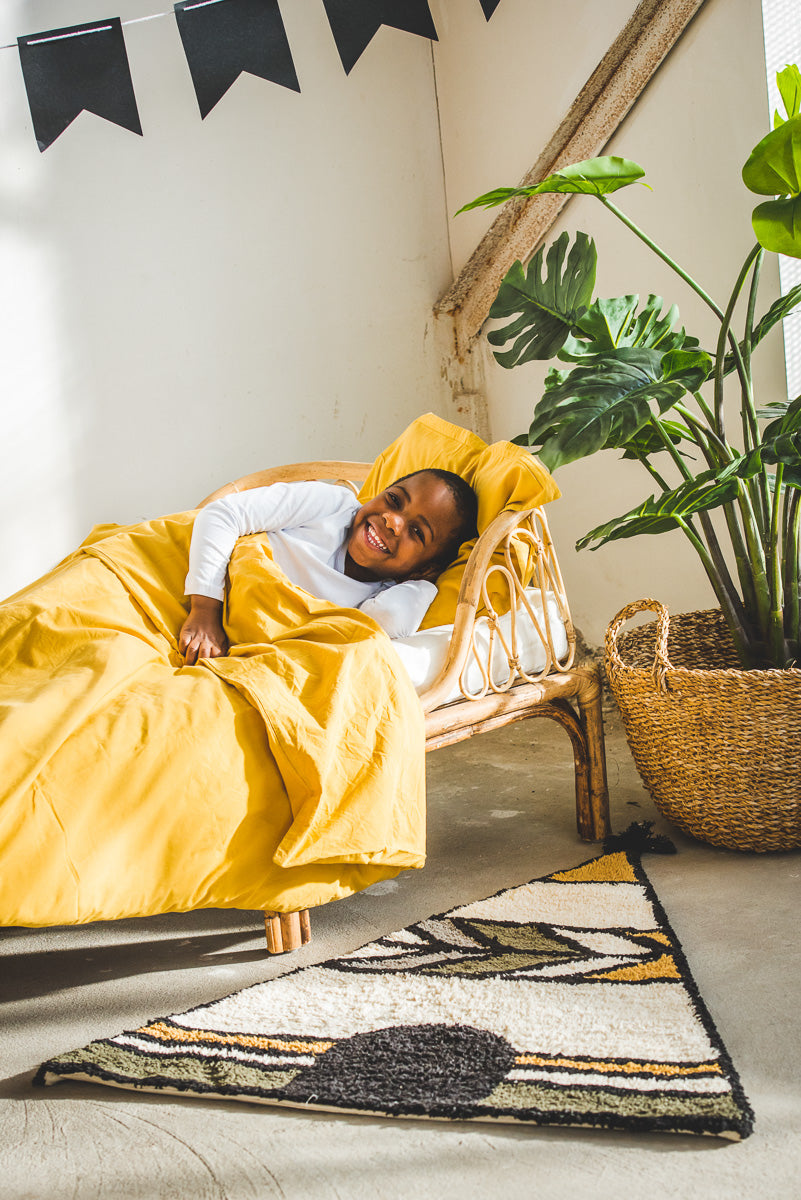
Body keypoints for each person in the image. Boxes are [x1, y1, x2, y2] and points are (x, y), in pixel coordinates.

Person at [179, 468, 479, 664]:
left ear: (423, 568)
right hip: (194, 588)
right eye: (394, 499)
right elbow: (222, 515)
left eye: (417, 533)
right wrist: (205, 610)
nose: (393, 520)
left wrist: (422, 585)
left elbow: (387, 620)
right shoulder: (331, 505)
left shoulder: (382, 597)